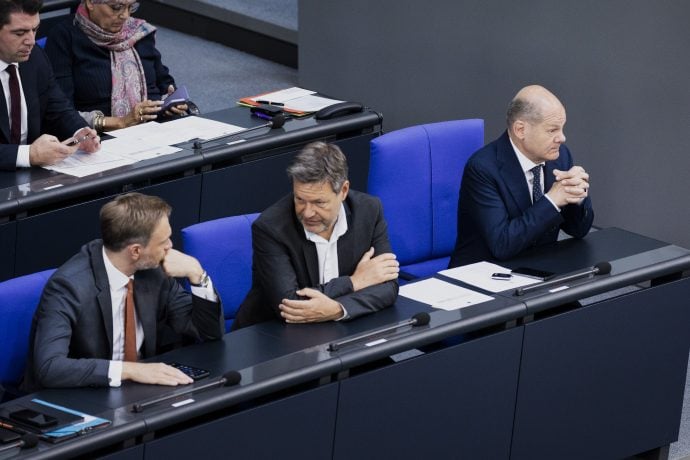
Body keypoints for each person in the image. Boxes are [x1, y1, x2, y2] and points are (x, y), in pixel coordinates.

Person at [23, 192, 224, 391]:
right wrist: (130, 370)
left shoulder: (154, 273)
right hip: (85, 393)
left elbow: (207, 332)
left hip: (138, 391)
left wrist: (198, 275)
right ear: (135, 251)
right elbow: (50, 367)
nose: (170, 247)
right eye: (164, 241)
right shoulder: (68, 287)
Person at [232, 141, 400, 330]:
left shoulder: (369, 211)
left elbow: (388, 286)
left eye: (319, 202)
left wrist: (338, 309)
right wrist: (355, 282)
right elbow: (290, 304)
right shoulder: (271, 228)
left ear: (343, 191)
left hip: (340, 329)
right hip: (274, 335)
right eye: (300, 200)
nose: (308, 212)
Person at [448, 85, 594, 267]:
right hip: (485, 274)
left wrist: (577, 197)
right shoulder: (483, 169)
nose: (562, 138)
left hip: (539, 269)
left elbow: (578, 230)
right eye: (552, 130)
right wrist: (552, 200)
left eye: (562, 128)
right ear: (520, 130)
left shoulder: (560, 156)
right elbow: (502, 244)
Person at [44, 0, 188, 133]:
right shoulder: (64, 37)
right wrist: (121, 122)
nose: (125, 15)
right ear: (90, 3)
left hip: (156, 129)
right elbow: (61, 111)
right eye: (116, 7)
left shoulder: (139, 32)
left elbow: (164, 82)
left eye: (131, 7)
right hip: (100, 137)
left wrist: (172, 102)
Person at [0, 0, 99, 171]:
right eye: (20, 33)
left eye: (35, 29)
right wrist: (28, 154)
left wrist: (79, 131)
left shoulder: (35, 57)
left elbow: (58, 108)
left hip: (31, 174)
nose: (31, 41)